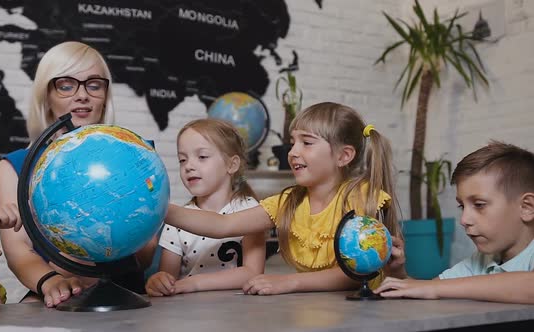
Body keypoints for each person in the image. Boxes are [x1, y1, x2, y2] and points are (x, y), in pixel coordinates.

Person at [165, 102, 404, 295]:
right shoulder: (289, 201)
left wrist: (289, 282)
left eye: (306, 143)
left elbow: (355, 275)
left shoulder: (359, 199)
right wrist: (161, 209)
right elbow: (223, 224)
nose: (293, 152)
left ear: (344, 156)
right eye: (293, 143)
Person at [0, 41, 156, 308]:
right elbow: (18, 250)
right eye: (66, 85)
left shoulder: (136, 155)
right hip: (56, 295)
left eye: (94, 84)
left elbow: (146, 248)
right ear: (46, 94)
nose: (82, 95)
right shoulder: (16, 166)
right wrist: (50, 281)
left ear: (105, 94)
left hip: (125, 295)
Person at [375, 141, 534, 304]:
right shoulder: (479, 262)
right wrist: (397, 273)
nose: (464, 220)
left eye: (479, 205)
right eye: (462, 206)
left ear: (527, 207)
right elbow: (428, 288)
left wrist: (433, 289)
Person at [145, 119, 266, 296]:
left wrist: (194, 283)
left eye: (202, 157)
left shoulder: (250, 211)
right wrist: (159, 281)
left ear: (231, 165)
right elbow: (168, 277)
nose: (189, 166)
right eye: (182, 160)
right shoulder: (176, 220)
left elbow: (252, 272)